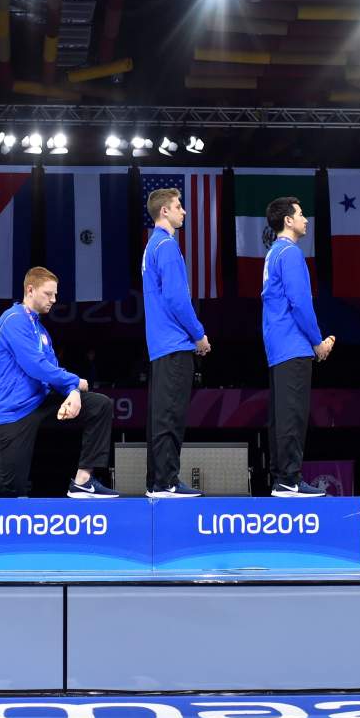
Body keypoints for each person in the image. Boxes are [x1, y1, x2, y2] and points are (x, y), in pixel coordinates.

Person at [0, 267, 117, 499]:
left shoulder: (41, 330)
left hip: (42, 402)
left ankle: (83, 482)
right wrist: (76, 381)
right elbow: (35, 366)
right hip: (13, 411)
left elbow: (53, 368)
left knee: (100, 405)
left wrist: (73, 390)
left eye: (55, 294)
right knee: (11, 488)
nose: (54, 300)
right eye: (49, 294)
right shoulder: (13, 321)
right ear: (30, 290)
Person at [262, 196, 334, 497]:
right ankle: (289, 479)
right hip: (293, 344)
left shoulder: (274, 253)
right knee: (292, 415)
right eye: (301, 214)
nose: (306, 219)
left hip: (278, 345)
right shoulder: (290, 253)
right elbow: (300, 303)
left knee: (281, 416)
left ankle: (282, 478)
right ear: (288, 220)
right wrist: (318, 341)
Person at [142, 187, 210, 498]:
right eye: (179, 206)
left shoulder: (152, 246)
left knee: (161, 415)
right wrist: (198, 334)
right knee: (170, 415)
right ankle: (166, 482)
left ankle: (157, 481)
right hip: (174, 343)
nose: (183, 211)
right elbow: (176, 298)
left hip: (160, 346)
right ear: (165, 211)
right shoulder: (166, 246)